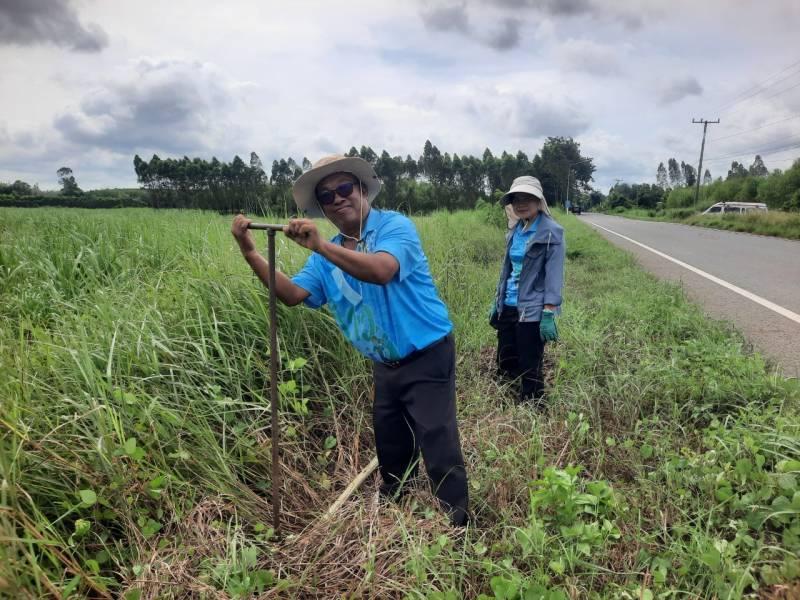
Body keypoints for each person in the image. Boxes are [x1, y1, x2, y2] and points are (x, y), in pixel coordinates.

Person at [231, 154, 469, 526]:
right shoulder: (325, 257)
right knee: (390, 439)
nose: (338, 198)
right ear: (322, 208)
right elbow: (293, 295)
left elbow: (382, 270)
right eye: (327, 196)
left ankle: (457, 523)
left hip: (427, 353)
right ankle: (396, 506)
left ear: (362, 190)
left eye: (344, 188)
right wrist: (250, 252)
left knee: (436, 438)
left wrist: (321, 246)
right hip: (384, 362)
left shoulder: (394, 228)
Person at [490, 176, 565, 405]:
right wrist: (498, 300)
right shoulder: (516, 230)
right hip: (510, 304)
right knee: (506, 356)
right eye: (517, 199)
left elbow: (554, 275)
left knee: (530, 360)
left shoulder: (551, 232)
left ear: (539, 200)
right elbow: (508, 270)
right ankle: (510, 398)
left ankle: (533, 405)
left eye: (528, 198)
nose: (522, 203)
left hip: (532, 308)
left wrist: (549, 311)